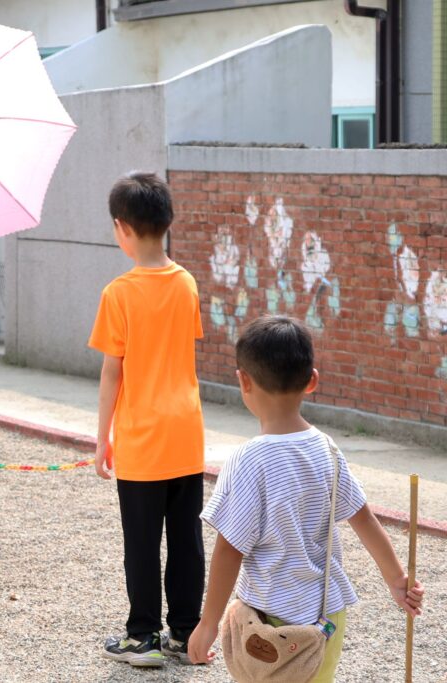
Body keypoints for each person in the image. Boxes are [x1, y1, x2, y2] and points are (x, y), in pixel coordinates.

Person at [188, 316, 425, 679]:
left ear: (243, 381)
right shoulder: (327, 449)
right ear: (312, 381)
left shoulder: (248, 460)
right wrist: (397, 579)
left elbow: (229, 547)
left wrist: (208, 622)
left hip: (273, 620)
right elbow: (363, 518)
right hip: (327, 617)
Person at [88, 172, 205, 667]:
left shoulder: (119, 293)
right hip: (187, 434)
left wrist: (102, 440)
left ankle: (143, 637)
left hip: (141, 436)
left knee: (141, 542)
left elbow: (113, 373)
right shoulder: (187, 283)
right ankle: (185, 632)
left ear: (122, 228)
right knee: (186, 540)